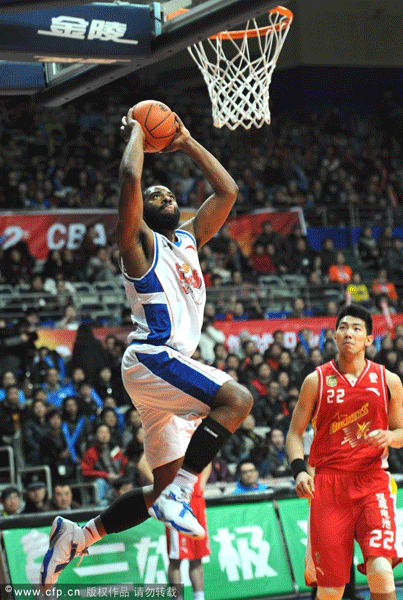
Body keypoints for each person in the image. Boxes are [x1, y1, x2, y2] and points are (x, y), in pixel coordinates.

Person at [40, 108, 252, 591]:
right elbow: (132, 174)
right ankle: (182, 491)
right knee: (238, 400)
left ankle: (79, 536)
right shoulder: (137, 244)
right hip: (154, 357)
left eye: (170, 192)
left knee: (157, 491)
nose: (165, 194)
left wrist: (187, 141)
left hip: (163, 374)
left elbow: (228, 192)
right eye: (156, 195)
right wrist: (138, 128)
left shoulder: (190, 238)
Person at [286, 303, 403, 600]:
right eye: (343, 327)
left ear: (368, 340)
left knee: (381, 570)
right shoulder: (316, 380)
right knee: (331, 589)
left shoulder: (388, 381)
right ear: (334, 337)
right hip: (328, 486)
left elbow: (402, 433)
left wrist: (390, 436)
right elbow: (294, 434)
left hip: (372, 481)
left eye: (356, 328)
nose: (348, 333)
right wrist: (300, 470)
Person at [166, 465, 212, 600]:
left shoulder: (197, 444)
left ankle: (199, 597)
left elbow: (208, 459)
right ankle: (178, 598)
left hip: (196, 500)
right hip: (176, 502)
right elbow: (143, 464)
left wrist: (202, 483)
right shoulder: (165, 444)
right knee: (176, 558)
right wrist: (162, 487)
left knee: (197, 557)